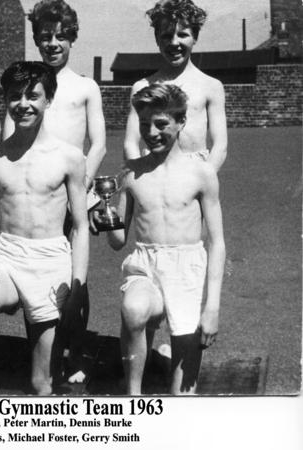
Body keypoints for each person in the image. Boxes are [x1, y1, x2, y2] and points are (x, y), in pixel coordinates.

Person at [0, 61, 89, 396]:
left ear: (49, 99)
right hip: (7, 255)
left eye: (33, 95)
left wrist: (78, 285)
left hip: (50, 260)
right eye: (15, 96)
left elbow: (80, 226)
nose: (23, 104)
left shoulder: (70, 157)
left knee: (42, 386)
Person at [3, 0, 106, 383]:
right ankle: (42, 354)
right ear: (36, 39)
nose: (53, 43)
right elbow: (8, 141)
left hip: (75, 188)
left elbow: (98, 143)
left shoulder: (85, 87)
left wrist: (82, 183)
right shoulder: (26, 88)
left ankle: (75, 351)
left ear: (72, 38)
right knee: (35, 273)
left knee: (75, 275)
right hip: (36, 193)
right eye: (45, 36)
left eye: (61, 36)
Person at [100, 83, 225, 395]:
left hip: (187, 268)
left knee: (181, 395)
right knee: (133, 309)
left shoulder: (202, 173)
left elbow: (217, 243)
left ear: (181, 122)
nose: (152, 133)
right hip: (145, 264)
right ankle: (133, 395)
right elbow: (118, 241)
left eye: (161, 124)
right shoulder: (132, 174)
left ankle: (171, 370)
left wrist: (212, 307)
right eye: (145, 125)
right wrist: (104, 216)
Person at [124, 0, 227, 171]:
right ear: (157, 39)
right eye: (166, 36)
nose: (174, 43)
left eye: (182, 35)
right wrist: (141, 173)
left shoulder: (211, 86)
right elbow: (130, 143)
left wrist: (204, 178)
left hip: (197, 172)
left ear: (195, 38)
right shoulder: (141, 87)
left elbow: (220, 146)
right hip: (154, 171)